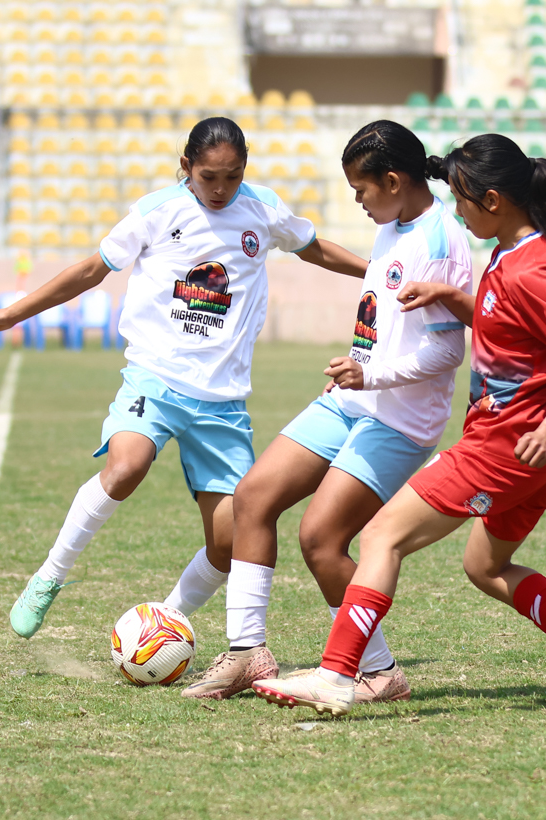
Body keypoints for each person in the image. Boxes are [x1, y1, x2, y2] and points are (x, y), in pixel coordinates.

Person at [251, 134, 546, 717]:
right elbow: (502, 322)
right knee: (485, 567)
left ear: (493, 200)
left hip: (506, 444)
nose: (458, 211)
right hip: (531, 454)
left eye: (463, 199)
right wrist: (451, 295)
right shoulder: (513, 251)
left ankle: (338, 675)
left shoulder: (533, 267)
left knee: (380, 538)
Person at [0, 117, 367, 639]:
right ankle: (49, 576)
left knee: (230, 542)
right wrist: (12, 313)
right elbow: (90, 270)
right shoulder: (157, 211)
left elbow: (313, 247)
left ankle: (165, 622)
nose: (220, 189)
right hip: (155, 379)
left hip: (222, 401)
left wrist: (376, 273)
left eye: (233, 177)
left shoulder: (263, 209)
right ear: (186, 167)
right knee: (126, 467)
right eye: (208, 177)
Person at [166, 120, 473, 704]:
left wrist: (371, 373)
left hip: (399, 420)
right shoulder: (393, 224)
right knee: (253, 497)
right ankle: (246, 654)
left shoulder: (441, 240)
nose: (357, 201)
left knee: (320, 539)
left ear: (393, 181)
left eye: (361, 189)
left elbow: (446, 351)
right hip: (350, 400)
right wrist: (359, 369)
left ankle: (380, 671)